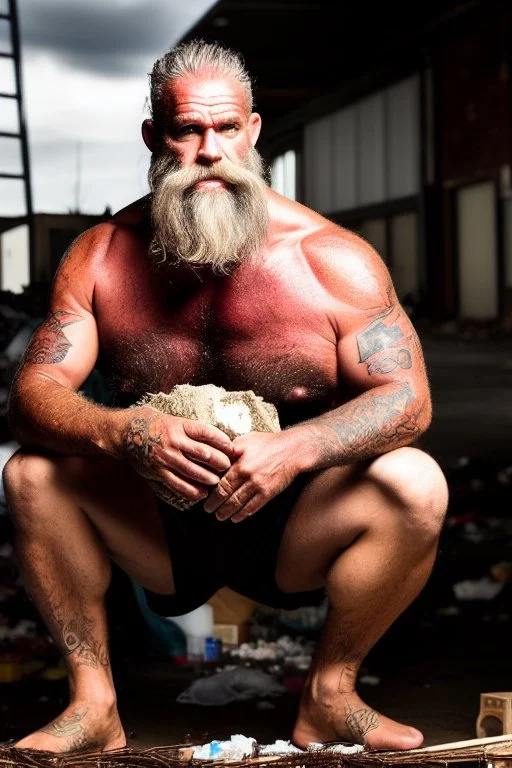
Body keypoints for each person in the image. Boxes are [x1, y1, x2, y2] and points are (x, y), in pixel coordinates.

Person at [3, 39, 448, 755]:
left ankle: (331, 694)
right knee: (29, 473)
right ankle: (94, 704)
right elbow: (32, 396)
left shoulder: (330, 258)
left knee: (415, 483)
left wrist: (297, 448)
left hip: (293, 527)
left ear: (254, 130)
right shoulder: (105, 256)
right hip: (158, 529)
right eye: (188, 130)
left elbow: (410, 400)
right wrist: (124, 433)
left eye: (227, 128)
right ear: (155, 136)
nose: (210, 150)